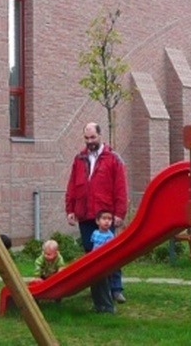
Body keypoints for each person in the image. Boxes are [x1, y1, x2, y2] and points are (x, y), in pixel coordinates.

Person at [65, 122, 128, 303]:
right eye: (86, 138)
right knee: (89, 250)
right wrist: (70, 209)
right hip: (84, 213)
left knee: (111, 252)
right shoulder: (79, 159)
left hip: (105, 214)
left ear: (100, 136)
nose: (89, 141)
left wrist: (119, 214)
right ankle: (96, 287)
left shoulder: (113, 159)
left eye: (92, 137)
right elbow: (72, 185)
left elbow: (120, 188)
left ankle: (115, 288)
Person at [89, 210, 116, 313]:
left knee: (104, 284)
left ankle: (109, 307)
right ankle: (98, 305)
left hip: (103, 263)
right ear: (97, 221)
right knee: (94, 283)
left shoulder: (110, 236)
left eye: (109, 219)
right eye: (104, 219)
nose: (107, 221)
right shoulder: (95, 233)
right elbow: (94, 247)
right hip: (94, 262)